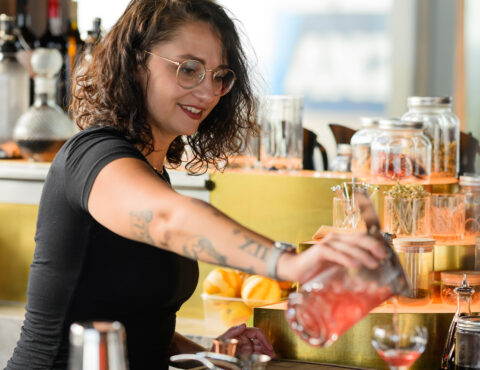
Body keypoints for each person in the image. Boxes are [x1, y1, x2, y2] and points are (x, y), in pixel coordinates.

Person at [6, 0, 386, 369]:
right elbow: (168, 220)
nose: (208, 93)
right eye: (188, 69)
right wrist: (288, 262)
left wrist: (214, 350)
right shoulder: (91, 156)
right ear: (137, 63)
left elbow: (139, 326)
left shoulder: (153, 173)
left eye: (219, 76)